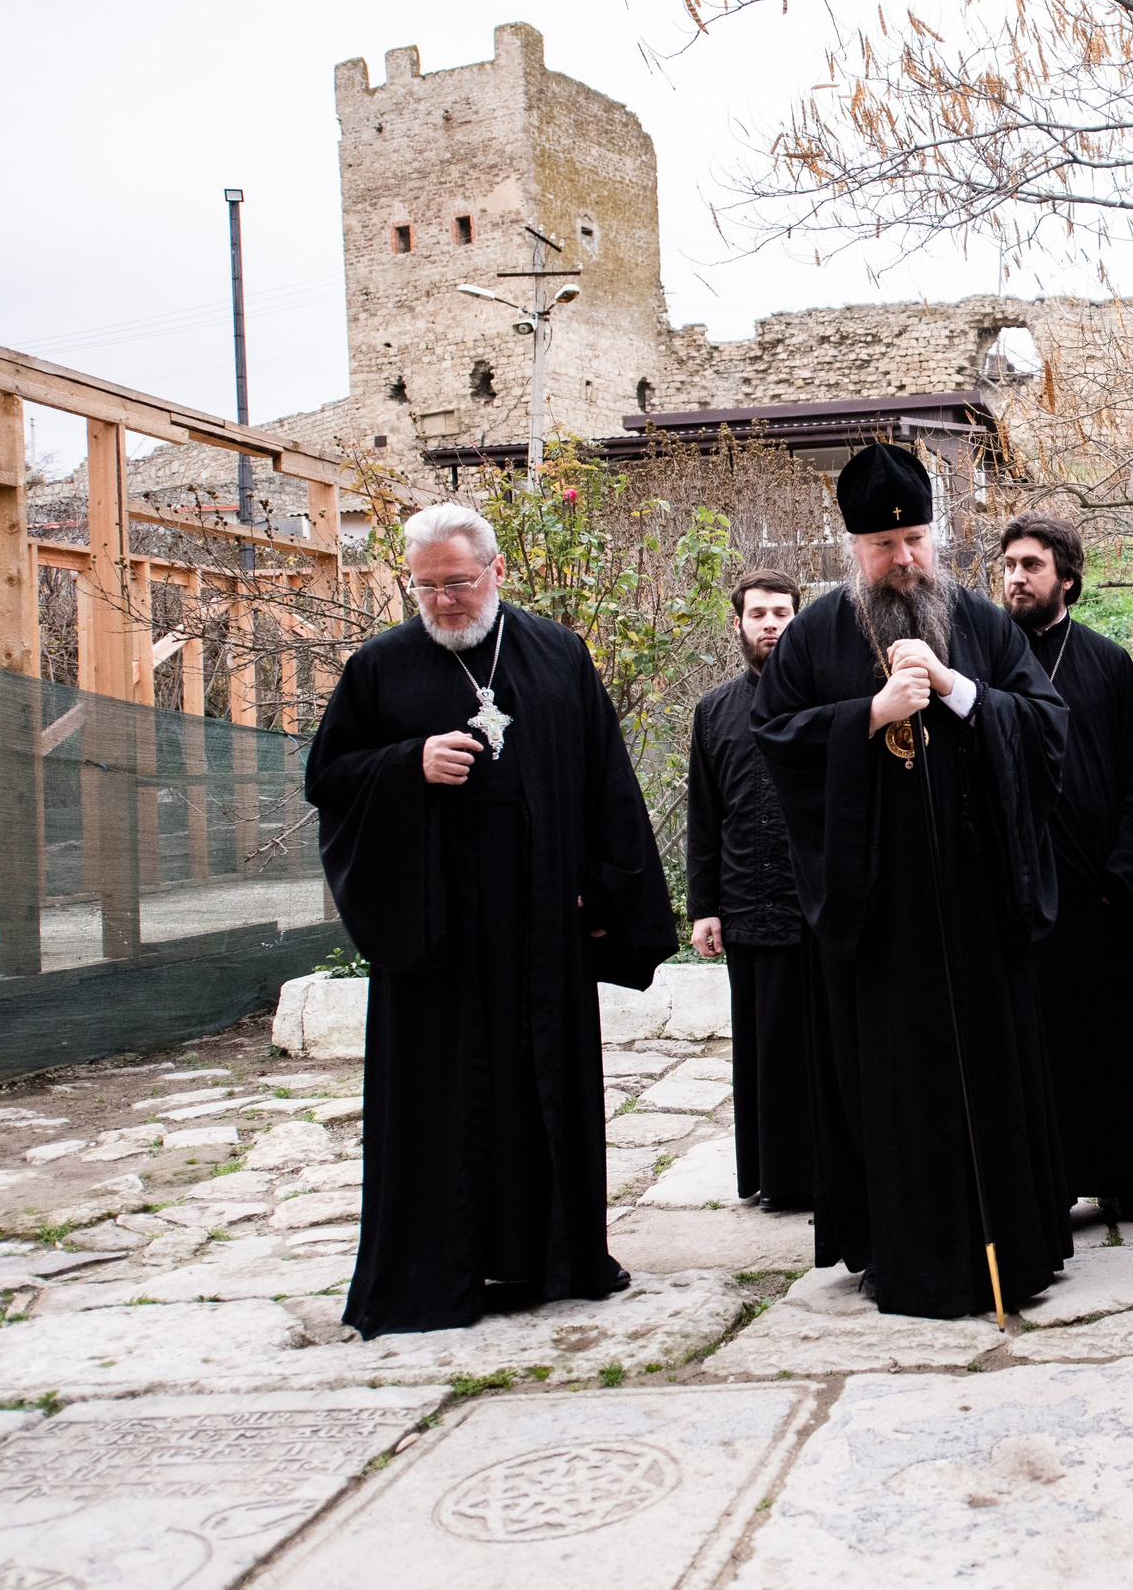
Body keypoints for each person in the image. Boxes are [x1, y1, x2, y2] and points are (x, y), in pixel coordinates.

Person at [308, 502, 676, 1338]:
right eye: (426, 585)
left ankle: (557, 1257)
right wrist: (410, 763)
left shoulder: (556, 653)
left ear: (496, 572)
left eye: (458, 582)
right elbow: (329, 778)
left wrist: (605, 891)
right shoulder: (380, 667)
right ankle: (435, 1272)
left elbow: (605, 781)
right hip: (438, 935)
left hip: (541, 924)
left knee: (540, 1087)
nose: (442, 601)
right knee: (443, 1106)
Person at [751, 444, 1072, 1319]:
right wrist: (868, 715)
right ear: (853, 546)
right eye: (884, 543)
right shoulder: (817, 634)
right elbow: (772, 738)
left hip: (976, 907)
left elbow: (1047, 727)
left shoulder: (978, 622)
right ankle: (904, 1255)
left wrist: (964, 693)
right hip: (880, 919)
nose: (904, 559)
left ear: (937, 536)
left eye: (916, 539)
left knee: (992, 1076)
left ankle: (1013, 1248)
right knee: (892, 1087)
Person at [1001, 513, 1133, 1225]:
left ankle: (1126, 1176)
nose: (1016, 577)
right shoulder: (983, 660)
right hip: (1020, 893)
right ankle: (1048, 1177)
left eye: (1032, 565)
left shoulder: (1106, 662)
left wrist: (1123, 875)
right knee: (1037, 1044)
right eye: (1009, 564)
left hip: (1101, 894)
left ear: (1067, 577)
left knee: (1112, 1040)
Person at [687, 568, 814, 1211]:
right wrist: (703, 907)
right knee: (761, 1048)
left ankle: (823, 1175)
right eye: (758, 613)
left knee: (819, 1047)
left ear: (799, 620)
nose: (770, 623)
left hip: (818, 907)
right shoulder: (713, 711)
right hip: (745, 904)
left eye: (782, 613)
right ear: (737, 623)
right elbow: (704, 817)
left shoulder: (825, 698)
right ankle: (771, 1176)